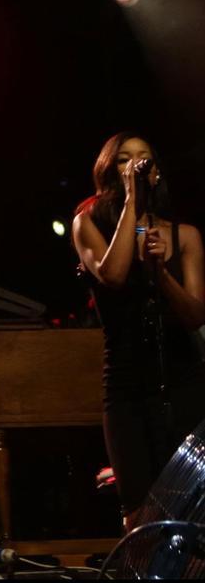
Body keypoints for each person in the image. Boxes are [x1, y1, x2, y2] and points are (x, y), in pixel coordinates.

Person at [71, 132, 205, 525]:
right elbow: (112, 275)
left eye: (144, 157)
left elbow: (195, 316)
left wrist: (160, 274)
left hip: (183, 380)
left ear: (156, 172)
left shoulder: (185, 235)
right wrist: (132, 202)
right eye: (123, 158)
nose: (135, 164)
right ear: (109, 170)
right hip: (126, 384)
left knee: (190, 511)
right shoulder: (87, 223)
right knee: (137, 512)